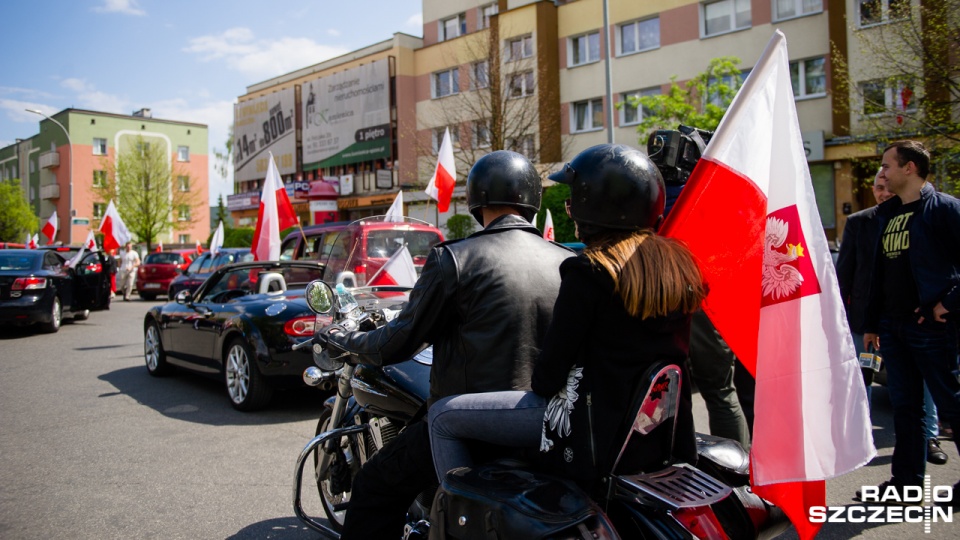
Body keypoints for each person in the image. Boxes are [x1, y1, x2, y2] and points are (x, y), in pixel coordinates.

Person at [428, 144, 706, 494]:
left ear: (595, 207)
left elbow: (547, 379)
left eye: (573, 200)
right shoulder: (679, 271)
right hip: (653, 434)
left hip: (588, 430)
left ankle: (459, 519)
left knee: (442, 416)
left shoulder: (589, 272)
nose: (570, 210)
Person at [324, 150, 575, 539]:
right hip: (544, 425)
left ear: (477, 198)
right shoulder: (566, 262)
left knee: (374, 486)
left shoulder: (455, 259)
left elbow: (397, 343)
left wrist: (347, 340)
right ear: (531, 199)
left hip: (469, 427)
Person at [861, 140, 960, 499]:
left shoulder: (944, 209)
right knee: (906, 409)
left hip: (931, 329)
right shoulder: (888, 215)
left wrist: (948, 304)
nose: (882, 173)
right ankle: (906, 485)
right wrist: (872, 323)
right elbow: (880, 275)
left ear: (910, 169)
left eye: (888, 166)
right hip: (893, 327)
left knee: (952, 406)